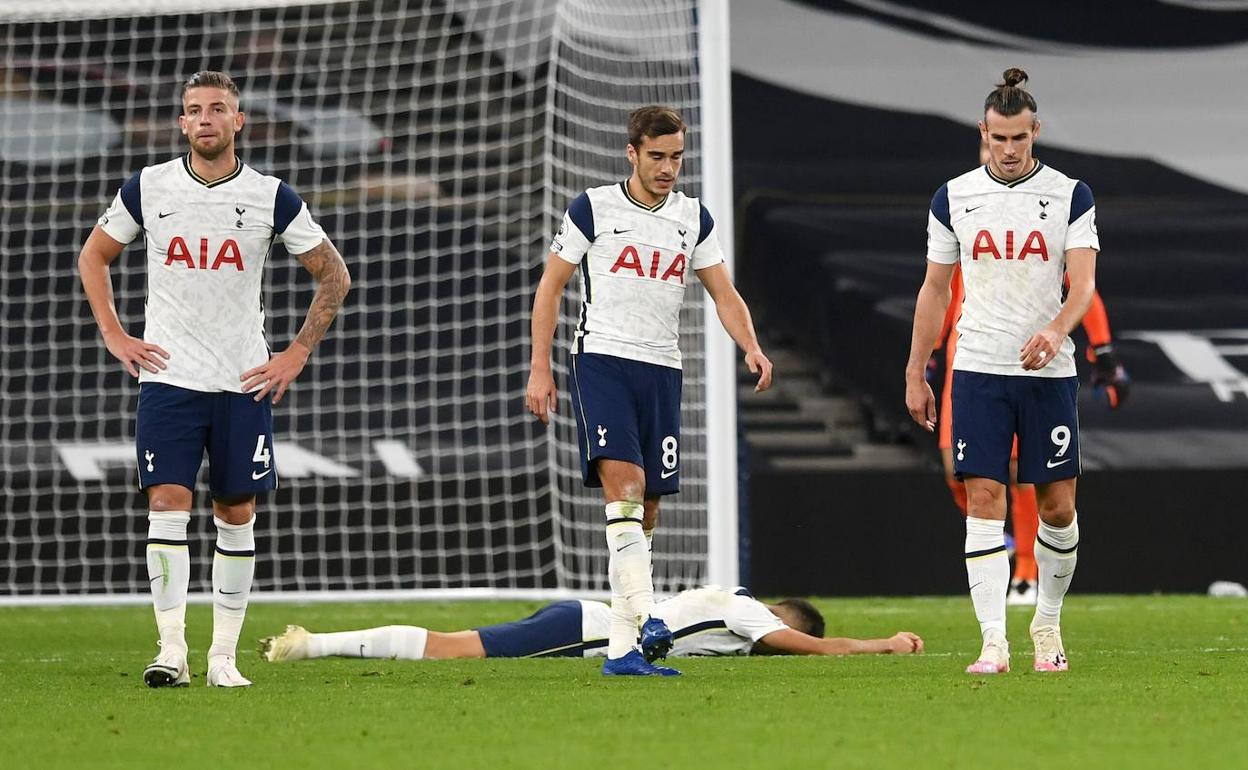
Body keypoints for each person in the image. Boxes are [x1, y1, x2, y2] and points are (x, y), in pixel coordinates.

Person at [77, 71, 350, 688]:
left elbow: (334, 275)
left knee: (235, 510)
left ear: (238, 121)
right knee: (167, 502)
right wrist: (115, 336)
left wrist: (297, 352)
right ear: (182, 123)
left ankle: (222, 658)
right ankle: (170, 650)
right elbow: (93, 255)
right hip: (170, 379)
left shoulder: (270, 196)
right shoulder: (149, 188)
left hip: (242, 380)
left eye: (217, 109)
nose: (205, 118)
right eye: (194, 110)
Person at [525, 106, 774, 676]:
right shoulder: (593, 208)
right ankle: (648, 619)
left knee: (649, 508)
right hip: (603, 361)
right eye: (657, 156)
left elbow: (724, 294)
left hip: (662, 369)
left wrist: (752, 346)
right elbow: (550, 288)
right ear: (631, 153)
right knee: (627, 488)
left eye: (676, 157)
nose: (668, 168)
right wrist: (541, 369)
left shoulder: (693, 218)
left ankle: (620, 653)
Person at [905, 68, 1097, 674]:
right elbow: (935, 289)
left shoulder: (1070, 194)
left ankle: (1046, 622)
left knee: (1057, 506)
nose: (1009, 150)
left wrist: (1056, 330)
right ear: (983, 133)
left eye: (1019, 138)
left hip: (1049, 372)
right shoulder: (953, 196)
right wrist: (917, 369)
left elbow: (1084, 285)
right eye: (999, 139)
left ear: (1035, 132)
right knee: (982, 496)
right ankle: (993, 641)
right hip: (980, 368)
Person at [932, 215, 1129, 605]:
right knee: (955, 470)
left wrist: (1101, 348)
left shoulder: (1046, 216)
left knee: (1021, 471)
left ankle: (1025, 571)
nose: (1002, 151)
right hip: (969, 362)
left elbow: (1081, 286)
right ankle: (1007, 541)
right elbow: (944, 290)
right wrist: (933, 349)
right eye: (991, 147)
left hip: (1028, 361)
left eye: (1011, 146)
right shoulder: (965, 214)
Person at [258, 586, 923, 662]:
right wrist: (886, 644)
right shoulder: (750, 613)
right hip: (591, 631)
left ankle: (317, 643)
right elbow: (817, 646)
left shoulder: (725, 601)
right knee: (455, 650)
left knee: (460, 647)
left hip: (584, 617)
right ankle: (313, 644)